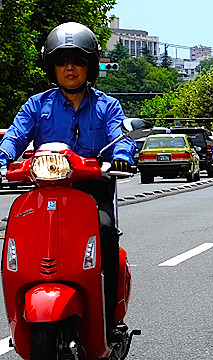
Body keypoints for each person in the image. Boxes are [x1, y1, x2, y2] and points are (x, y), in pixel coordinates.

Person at [0, 22, 136, 340]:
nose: (70, 67)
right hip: (46, 190)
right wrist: (2, 156)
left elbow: (120, 136)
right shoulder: (37, 106)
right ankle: (18, 319)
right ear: (52, 66)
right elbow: (15, 135)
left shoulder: (107, 106)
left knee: (105, 235)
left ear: (90, 66)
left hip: (93, 188)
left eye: (78, 60)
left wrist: (121, 155)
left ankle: (108, 321)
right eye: (62, 61)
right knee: (15, 243)